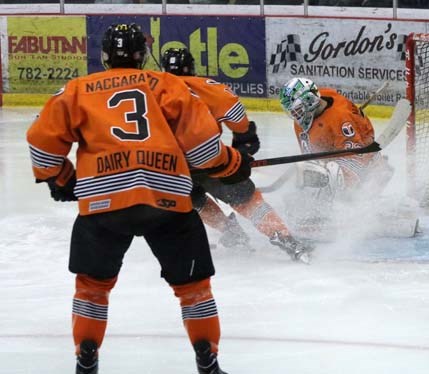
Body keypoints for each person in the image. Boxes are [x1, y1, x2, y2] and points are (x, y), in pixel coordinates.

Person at [26, 24, 248, 374]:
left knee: (92, 288)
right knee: (193, 289)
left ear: (103, 56)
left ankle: (87, 356)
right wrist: (232, 163)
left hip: (103, 202)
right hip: (167, 201)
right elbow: (205, 150)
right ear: (142, 56)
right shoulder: (168, 84)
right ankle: (207, 358)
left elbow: (41, 148)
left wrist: (62, 179)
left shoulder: (76, 90)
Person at [160, 48, 311, 263]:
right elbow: (240, 123)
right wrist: (241, 152)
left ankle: (230, 232)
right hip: (210, 157)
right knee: (247, 200)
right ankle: (284, 238)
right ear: (192, 67)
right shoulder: (209, 87)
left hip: (171, 166)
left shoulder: (148, 91)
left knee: (193, 200)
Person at [278, 77, 394, 236]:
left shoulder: (341, 118)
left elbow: (357, 158)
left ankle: (377, 174)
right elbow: (310, 158)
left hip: (364, 161)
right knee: (299, 189)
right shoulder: (305, 117)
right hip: (335, 155)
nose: (294, 115)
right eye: (291, 111)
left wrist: (343, 195)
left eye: (296, 109)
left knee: (332, 173)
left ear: (310, 101)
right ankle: (324, 207)